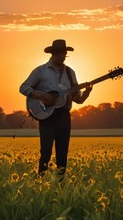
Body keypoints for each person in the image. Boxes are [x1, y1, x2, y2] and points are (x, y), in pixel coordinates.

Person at [19, 39, 92, 175]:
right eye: (61, 54)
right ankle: (41, 181)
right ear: (53, 54)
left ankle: (60, 184)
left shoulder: (70, 73)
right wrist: (42, 95)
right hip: (46, 115)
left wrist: (86, 92)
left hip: (64, 116)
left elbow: (78, 99)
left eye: (65, 54)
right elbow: (23, 87)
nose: (63, 56)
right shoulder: (41, 71)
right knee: (45, 151)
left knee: (62, 153)